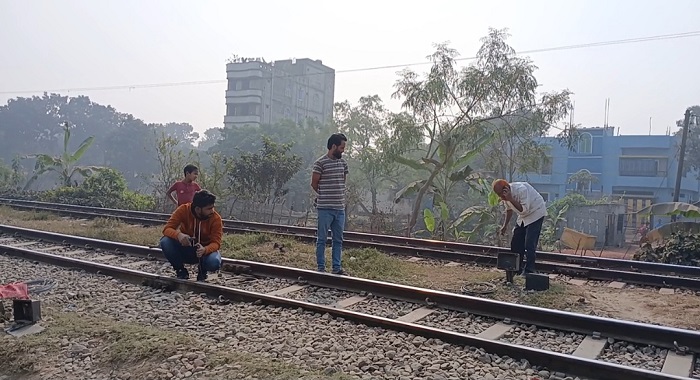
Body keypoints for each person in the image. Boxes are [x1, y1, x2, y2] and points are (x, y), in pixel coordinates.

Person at [160, 189, 223, 281]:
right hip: (187, 248)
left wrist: (205, 250)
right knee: (165, 241)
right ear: (198, 209)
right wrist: (179, 235)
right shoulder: (183, 210)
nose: (212, 211)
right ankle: (180, 270)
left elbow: (216, 243)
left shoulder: (216, 219)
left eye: (213, 207)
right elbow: (167, 229)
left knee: (214, 262)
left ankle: (203, 271)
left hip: (204, 252)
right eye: (209, 209)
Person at [311, 133, 349, 275]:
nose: (343, 150)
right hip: (325, 208)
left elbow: (342, 181)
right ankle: (321, 267)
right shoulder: (320, 163)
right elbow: (314, 183)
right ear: (333, 146)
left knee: (338, 240)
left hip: (340, 209)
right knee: (322, 239)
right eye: (341, 147)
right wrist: (324, 195)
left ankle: (336, 267)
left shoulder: (343, 164)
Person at [493, 179, 546, 275]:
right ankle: (516, 268)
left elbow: (524, 210)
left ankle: (529, 270)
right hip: (523, 217)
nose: (501, 197)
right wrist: (505, 226)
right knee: (516, 241)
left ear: (506, 188)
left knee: (529, 243)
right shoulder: (506, 196)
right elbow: (509, 210)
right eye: (499, 195)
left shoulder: (521, 190)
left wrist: (510, 199)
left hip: (536, 212)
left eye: (501, 194)